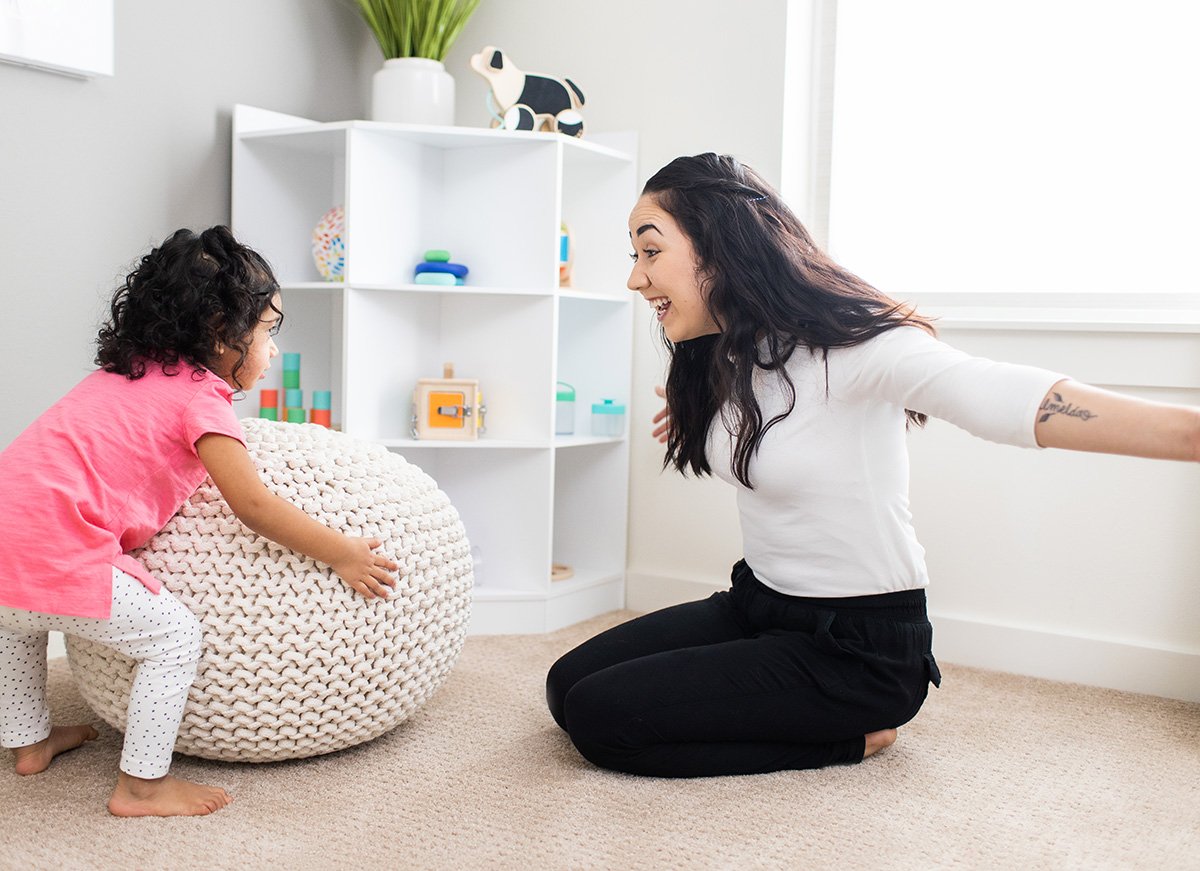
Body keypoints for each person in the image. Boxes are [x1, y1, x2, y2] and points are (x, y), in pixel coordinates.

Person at [545, 153, 1200, 778]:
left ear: (719, 243)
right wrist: (700, 414)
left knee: (603, 720)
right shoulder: (729, 354)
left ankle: (851, 737)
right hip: (760, 604)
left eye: (651, 250)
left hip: (857, 649)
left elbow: (993, 392)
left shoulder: (856, 347)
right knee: (564, 687)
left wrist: (1188, 432)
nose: (636, 277)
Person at [0, 227, 399, 816]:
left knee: (15, 625)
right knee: (173, 638)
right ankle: (142, 785)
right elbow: (254, 505)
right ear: (221, 335)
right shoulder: (199, 400)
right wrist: (340, 551)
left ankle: (27, 741)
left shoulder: (121, 373)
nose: (274, 352)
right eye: (267, 333)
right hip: (63, 551)